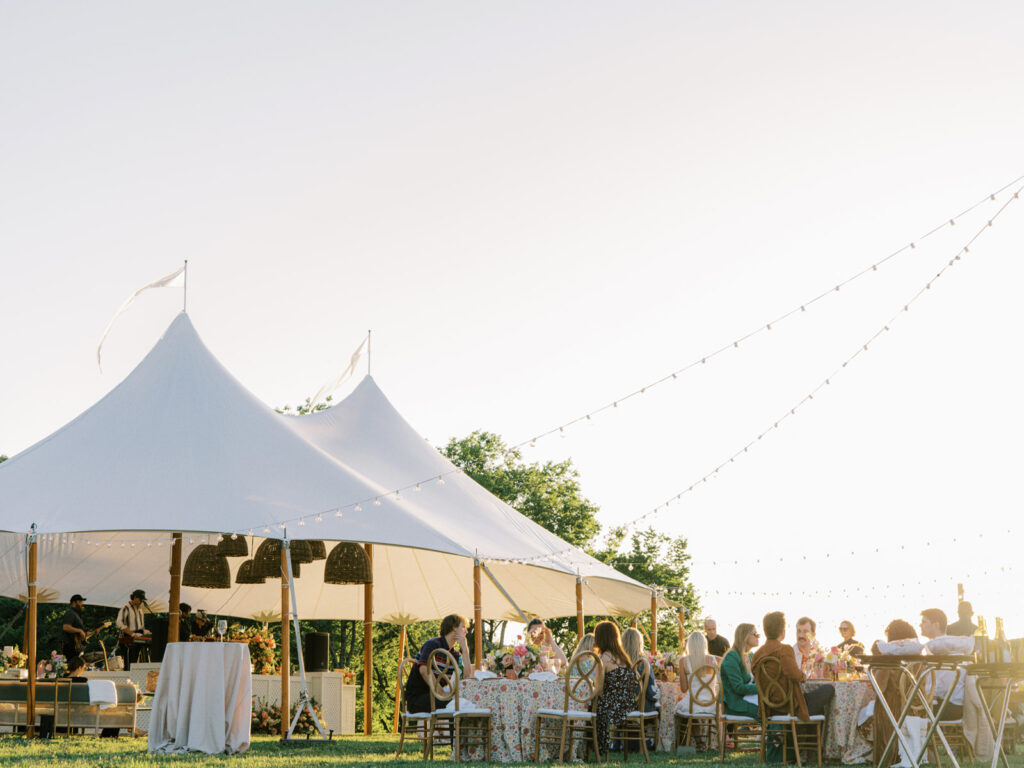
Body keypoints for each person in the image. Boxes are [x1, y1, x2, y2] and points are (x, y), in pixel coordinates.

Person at [753, 611, 834, 719]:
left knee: (816, 706)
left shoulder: (757, 654)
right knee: (829, 689)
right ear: (782, 631)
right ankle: (811, 735)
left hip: (769, 707)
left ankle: (797, 735)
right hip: (789, 706)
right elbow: (793, 673)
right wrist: (803, 676)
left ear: (765, 630)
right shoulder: (784, 649)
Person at [403, 614, 474, 714]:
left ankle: (457, 729)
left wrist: (465, 650)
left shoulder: (454, 654)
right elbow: (423, 670)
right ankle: (455, 729)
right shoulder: (432, 644)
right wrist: (441, 693)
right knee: (458, 705)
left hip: (436, 697)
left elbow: (466, 677)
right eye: (463, 627)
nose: (466, 631)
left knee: (466, 703)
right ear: (454, 627)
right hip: (418, 699)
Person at [593, 620, 639, 755]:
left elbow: (599, 689)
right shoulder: (625, 658)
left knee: (594, 708)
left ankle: (598, 749)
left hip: (612, 708)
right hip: (629, 705)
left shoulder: (602, 658)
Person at [920, 608, 970, 720]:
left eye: (924, 622)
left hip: (948, 707)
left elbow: (939, 689)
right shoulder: (952, 647)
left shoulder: (940, 649)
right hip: (956, 706)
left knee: (905, 712)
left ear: (936, 625)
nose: (920, 625)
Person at [674, 630, 721, 749]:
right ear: (704, 644)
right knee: (695, 709)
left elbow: (684, 689)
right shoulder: (714, 660)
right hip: (712, 705)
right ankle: (704, 742)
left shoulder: (684, 661)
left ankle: (698, 742)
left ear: (688, 645)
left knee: (682, 709)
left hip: (693, 704)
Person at [721, 623, 760, 719]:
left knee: (776, 707)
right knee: (766, 712)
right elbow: (738, 687)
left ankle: (773, 733)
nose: (758, 637)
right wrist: (761, 688)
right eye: (755, 634)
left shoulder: (750, 655)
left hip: (749, 698)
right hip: (735, 704)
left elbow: (756, 680)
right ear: (745, 636)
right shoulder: (732, 656)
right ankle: (773, 733)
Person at [621, 627, 658, 713]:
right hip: (641, 708)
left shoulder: (616, 661)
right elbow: (651, 691)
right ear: (639, 643)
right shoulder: (643, 662)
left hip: (620, 708)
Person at [115, 589, 151, 671]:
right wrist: (132, 634)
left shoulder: (141, 610)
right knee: (129, 662)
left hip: (138, 636)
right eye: (140, 599)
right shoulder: (126, 608)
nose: (141, 601)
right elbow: (119, 623)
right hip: (128, 637)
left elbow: (141, 627)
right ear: (135, 598)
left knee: (135, 660)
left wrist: (147, 632)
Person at [60, 594, 89, 660]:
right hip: (70, 647)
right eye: (81, 601)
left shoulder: (77, 615)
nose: (82, 604)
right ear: (75, 602)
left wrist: (92, 632)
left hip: (77, 647)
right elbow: (66, 627)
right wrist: (80, 631)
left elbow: (81, 633)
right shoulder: (70, 613)